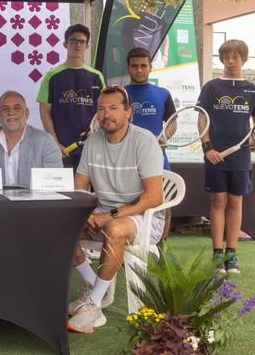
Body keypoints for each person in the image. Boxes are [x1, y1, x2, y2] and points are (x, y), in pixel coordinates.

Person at [67, 85, 164, 334]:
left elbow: (154, 197)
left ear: (128, 111)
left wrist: (108, 215)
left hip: (143, 218)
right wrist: (86, 213)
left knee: (115, 227)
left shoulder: (144, 140)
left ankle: (94, 303)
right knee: (60, 227)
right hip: (101, 214)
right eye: (101, 109)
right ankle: (96, 285)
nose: (106, 114)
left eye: (113, 108)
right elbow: (79, 187)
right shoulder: (93, 141)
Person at [197, 39, 255, 275]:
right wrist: (208, 148)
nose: (230, 60)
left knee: (235, 203)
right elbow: (202, 119)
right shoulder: (212, 87)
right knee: (218, 201)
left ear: (243, 59)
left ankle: (231, 256)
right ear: (222, 58)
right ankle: (217, 255)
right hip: (216, 156)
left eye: (235, 56)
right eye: (226, 56)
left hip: (240, 157)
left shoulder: (252, 90)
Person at [37, 24, 105, 171]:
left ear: (87, 46)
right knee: (63, 192)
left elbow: (103, 110)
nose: (77, 45)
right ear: (65, 44)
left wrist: (94, 132)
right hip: (62, 149)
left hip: (91, 147)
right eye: (73, 41)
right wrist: (55, 142)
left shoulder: (97, 76)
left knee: (89, 193)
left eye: (82, 42)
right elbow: (44, 111)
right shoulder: (51, 76)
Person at [125, 47, 176, 236]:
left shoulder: (163, 93)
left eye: (143, 66)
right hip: (128, 161)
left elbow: (172, 123)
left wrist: (163, 138)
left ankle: (161, 251)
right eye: (135, 66)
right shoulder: (120, 93)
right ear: (128, 68)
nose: (139, 70)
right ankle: (129, 247)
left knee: (164, 205)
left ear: (150, 67)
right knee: (130, 205)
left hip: (158, 159)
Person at [0, 90, 62, 187]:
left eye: (17, 108)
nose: (11, 112)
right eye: (5, 109)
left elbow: (55, 185)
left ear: (26, 113)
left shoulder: (46, 141)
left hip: (35, 201)